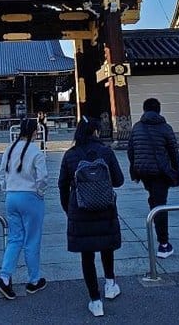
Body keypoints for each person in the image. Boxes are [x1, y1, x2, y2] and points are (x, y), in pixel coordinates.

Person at [59, 118, 123, 317]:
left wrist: (68, 208)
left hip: (80, 210)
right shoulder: (106, 152)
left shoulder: (70, 155)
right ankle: (110, 284)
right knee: (107, 247)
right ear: (95, 131)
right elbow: (119, 180)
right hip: (106, 208)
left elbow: (62, 184)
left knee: (87, 256)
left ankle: (95, 301)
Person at [0, 117, 48, 299]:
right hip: (30, 197)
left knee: (15, 238)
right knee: (32, 240)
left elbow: (1, 173)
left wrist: (7, 188)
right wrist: (39, 192)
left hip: (11, 196)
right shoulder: (36, 152)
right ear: (34, 131)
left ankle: (5, 277)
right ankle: (34, 280)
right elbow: (42, 178)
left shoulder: (9, 149)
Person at [127, 97, 179, 259]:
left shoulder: (137, 127)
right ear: (159, 110)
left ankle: (156, 224)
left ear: (144, 110)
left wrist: (135, 170)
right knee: (160, 205)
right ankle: (163, 244)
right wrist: (176, 173)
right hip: (160, 172)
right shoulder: (165, 128)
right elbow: (173, 153)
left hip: (143, 171)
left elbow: (131, 151)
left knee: (154, 200)